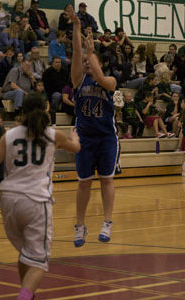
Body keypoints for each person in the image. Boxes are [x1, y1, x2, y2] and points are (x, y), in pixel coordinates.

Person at [0, 93, 80, 300]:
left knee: (27, 254)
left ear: (22, 110)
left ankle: (28, 295)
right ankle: (24, 297)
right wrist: (75, 135)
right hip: (35, 201)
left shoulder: (10, 135)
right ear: (46, 109)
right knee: (39, 261)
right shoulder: (52, 134)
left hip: (8, 201)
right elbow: (75, 149)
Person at [67, 6, 119, 247]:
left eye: (90, 60)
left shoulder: (110, 80)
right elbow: (77, 52)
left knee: (107, 179)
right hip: (85, 138)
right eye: (85, 61)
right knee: (83, 182)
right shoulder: (78, 79)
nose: (86, 62)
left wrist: (92, 54)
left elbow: (101, 79)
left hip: (107, 137)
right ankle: (80, 224)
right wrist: (77, 27)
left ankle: (107, 221)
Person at [42, 56, 69, 125]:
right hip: (51, 93)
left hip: (63, 91)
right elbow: (46, 86)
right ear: (52, 63)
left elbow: (67, 83)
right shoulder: (47, 72)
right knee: (57, 95)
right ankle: (53, 109)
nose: (58, 64)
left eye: (59, 62)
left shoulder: (65, 71)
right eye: (56, 62)